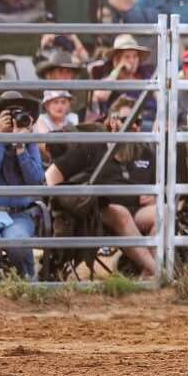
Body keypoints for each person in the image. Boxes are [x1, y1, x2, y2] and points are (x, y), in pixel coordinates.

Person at [45, 95, 159, 277]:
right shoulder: (93, 146)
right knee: (119, 212)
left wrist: (155, 196)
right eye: (126, 120)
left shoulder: (145, 151)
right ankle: (160, 272)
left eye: (137, 121)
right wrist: (64, 203)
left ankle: (147, 271)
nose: (133, 126)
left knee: (164, 211)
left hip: (136, 210)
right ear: (111, 120)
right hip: (99, 211)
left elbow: (157, 187)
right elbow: (52, 174)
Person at [0, 91, 45, 281]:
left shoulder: (29, 144)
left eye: (19, 114)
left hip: (19, 214)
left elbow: (36, 180)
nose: (15, 119)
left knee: (18, 243)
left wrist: (21, 147)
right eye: (9, 114)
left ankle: (28, 283)